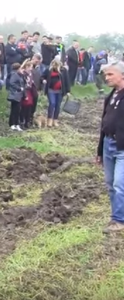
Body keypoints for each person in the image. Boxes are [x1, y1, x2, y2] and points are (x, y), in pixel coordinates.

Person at [97, 61, 124, 234]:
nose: (106, 78)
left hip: (122, 146)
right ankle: (116, 214)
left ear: (122, 74)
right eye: (105, 75)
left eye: (110, 74)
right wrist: (99, 150)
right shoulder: (111, 96)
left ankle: (119, 220)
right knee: (109, 183)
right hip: (108, 144)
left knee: (119, 184)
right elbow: (104, 124)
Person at [42, 59, 71, 127]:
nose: (54, 66)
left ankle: (55, 120)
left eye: (56, 65)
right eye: (53, 65)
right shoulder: (49, 70)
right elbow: (42, 76)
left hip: (60, 91)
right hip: (50, 90)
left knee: (58, 105)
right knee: (52, 103)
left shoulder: (63, 71)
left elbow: (67, 81)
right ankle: (49, 119)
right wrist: (43, 80)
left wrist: (68, 91)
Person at [7, 62, 25, 131]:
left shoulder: (18, 75)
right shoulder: (14, 74)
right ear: (17, 69)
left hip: (18, 95)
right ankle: (13, 124)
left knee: (17, 110)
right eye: (20, 68)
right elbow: (12, 83)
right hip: (15, 95)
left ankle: (16, 124)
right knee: (15, 110)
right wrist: (19, 88)